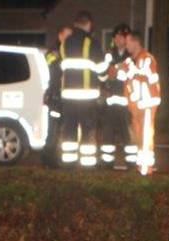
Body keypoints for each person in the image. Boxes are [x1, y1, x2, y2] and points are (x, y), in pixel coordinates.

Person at [58, 11, 105, 167]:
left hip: (68, 98)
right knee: (88, 130)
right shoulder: (91, 43)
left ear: (75, 23)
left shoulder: (64, 44)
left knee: (69, 130)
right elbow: (102, 70)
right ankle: (87, 164)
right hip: (87, 97)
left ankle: (69, 164)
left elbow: (60, 68)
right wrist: (104, 78)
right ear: (89, 24)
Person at [123, 32, 160, 176]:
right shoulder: (134, 61)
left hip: (146, 104)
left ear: (135, 42)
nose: (126, 46)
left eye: (128, 42)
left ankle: (145, 169)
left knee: (145, 136)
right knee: (139, 136)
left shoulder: (147, 59)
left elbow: (148, 76)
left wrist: (132, 72)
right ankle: (142, 166)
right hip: (137, 106)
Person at [98, 23, 132, 169]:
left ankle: (131, 162)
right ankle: (107, 162)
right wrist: (110, 72)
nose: (118, 39)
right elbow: (101, 76)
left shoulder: (132, 56)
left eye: (121, 37)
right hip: (111, 103)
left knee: (128, 135)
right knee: (108, 133)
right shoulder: (109, 56)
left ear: (127, 39)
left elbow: (133, 77)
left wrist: (117, 71)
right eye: (116, 37)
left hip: (127, 104)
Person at [42, 26, 73, 168]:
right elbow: (53, 68)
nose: (69, 39)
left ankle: (58, 158)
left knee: (63, 130)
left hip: (64, 97)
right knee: (53, 130)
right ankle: (48, 159)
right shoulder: (53, 53)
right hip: (55, 97)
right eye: (67, 36)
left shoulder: (68, 51)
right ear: (60, 36)